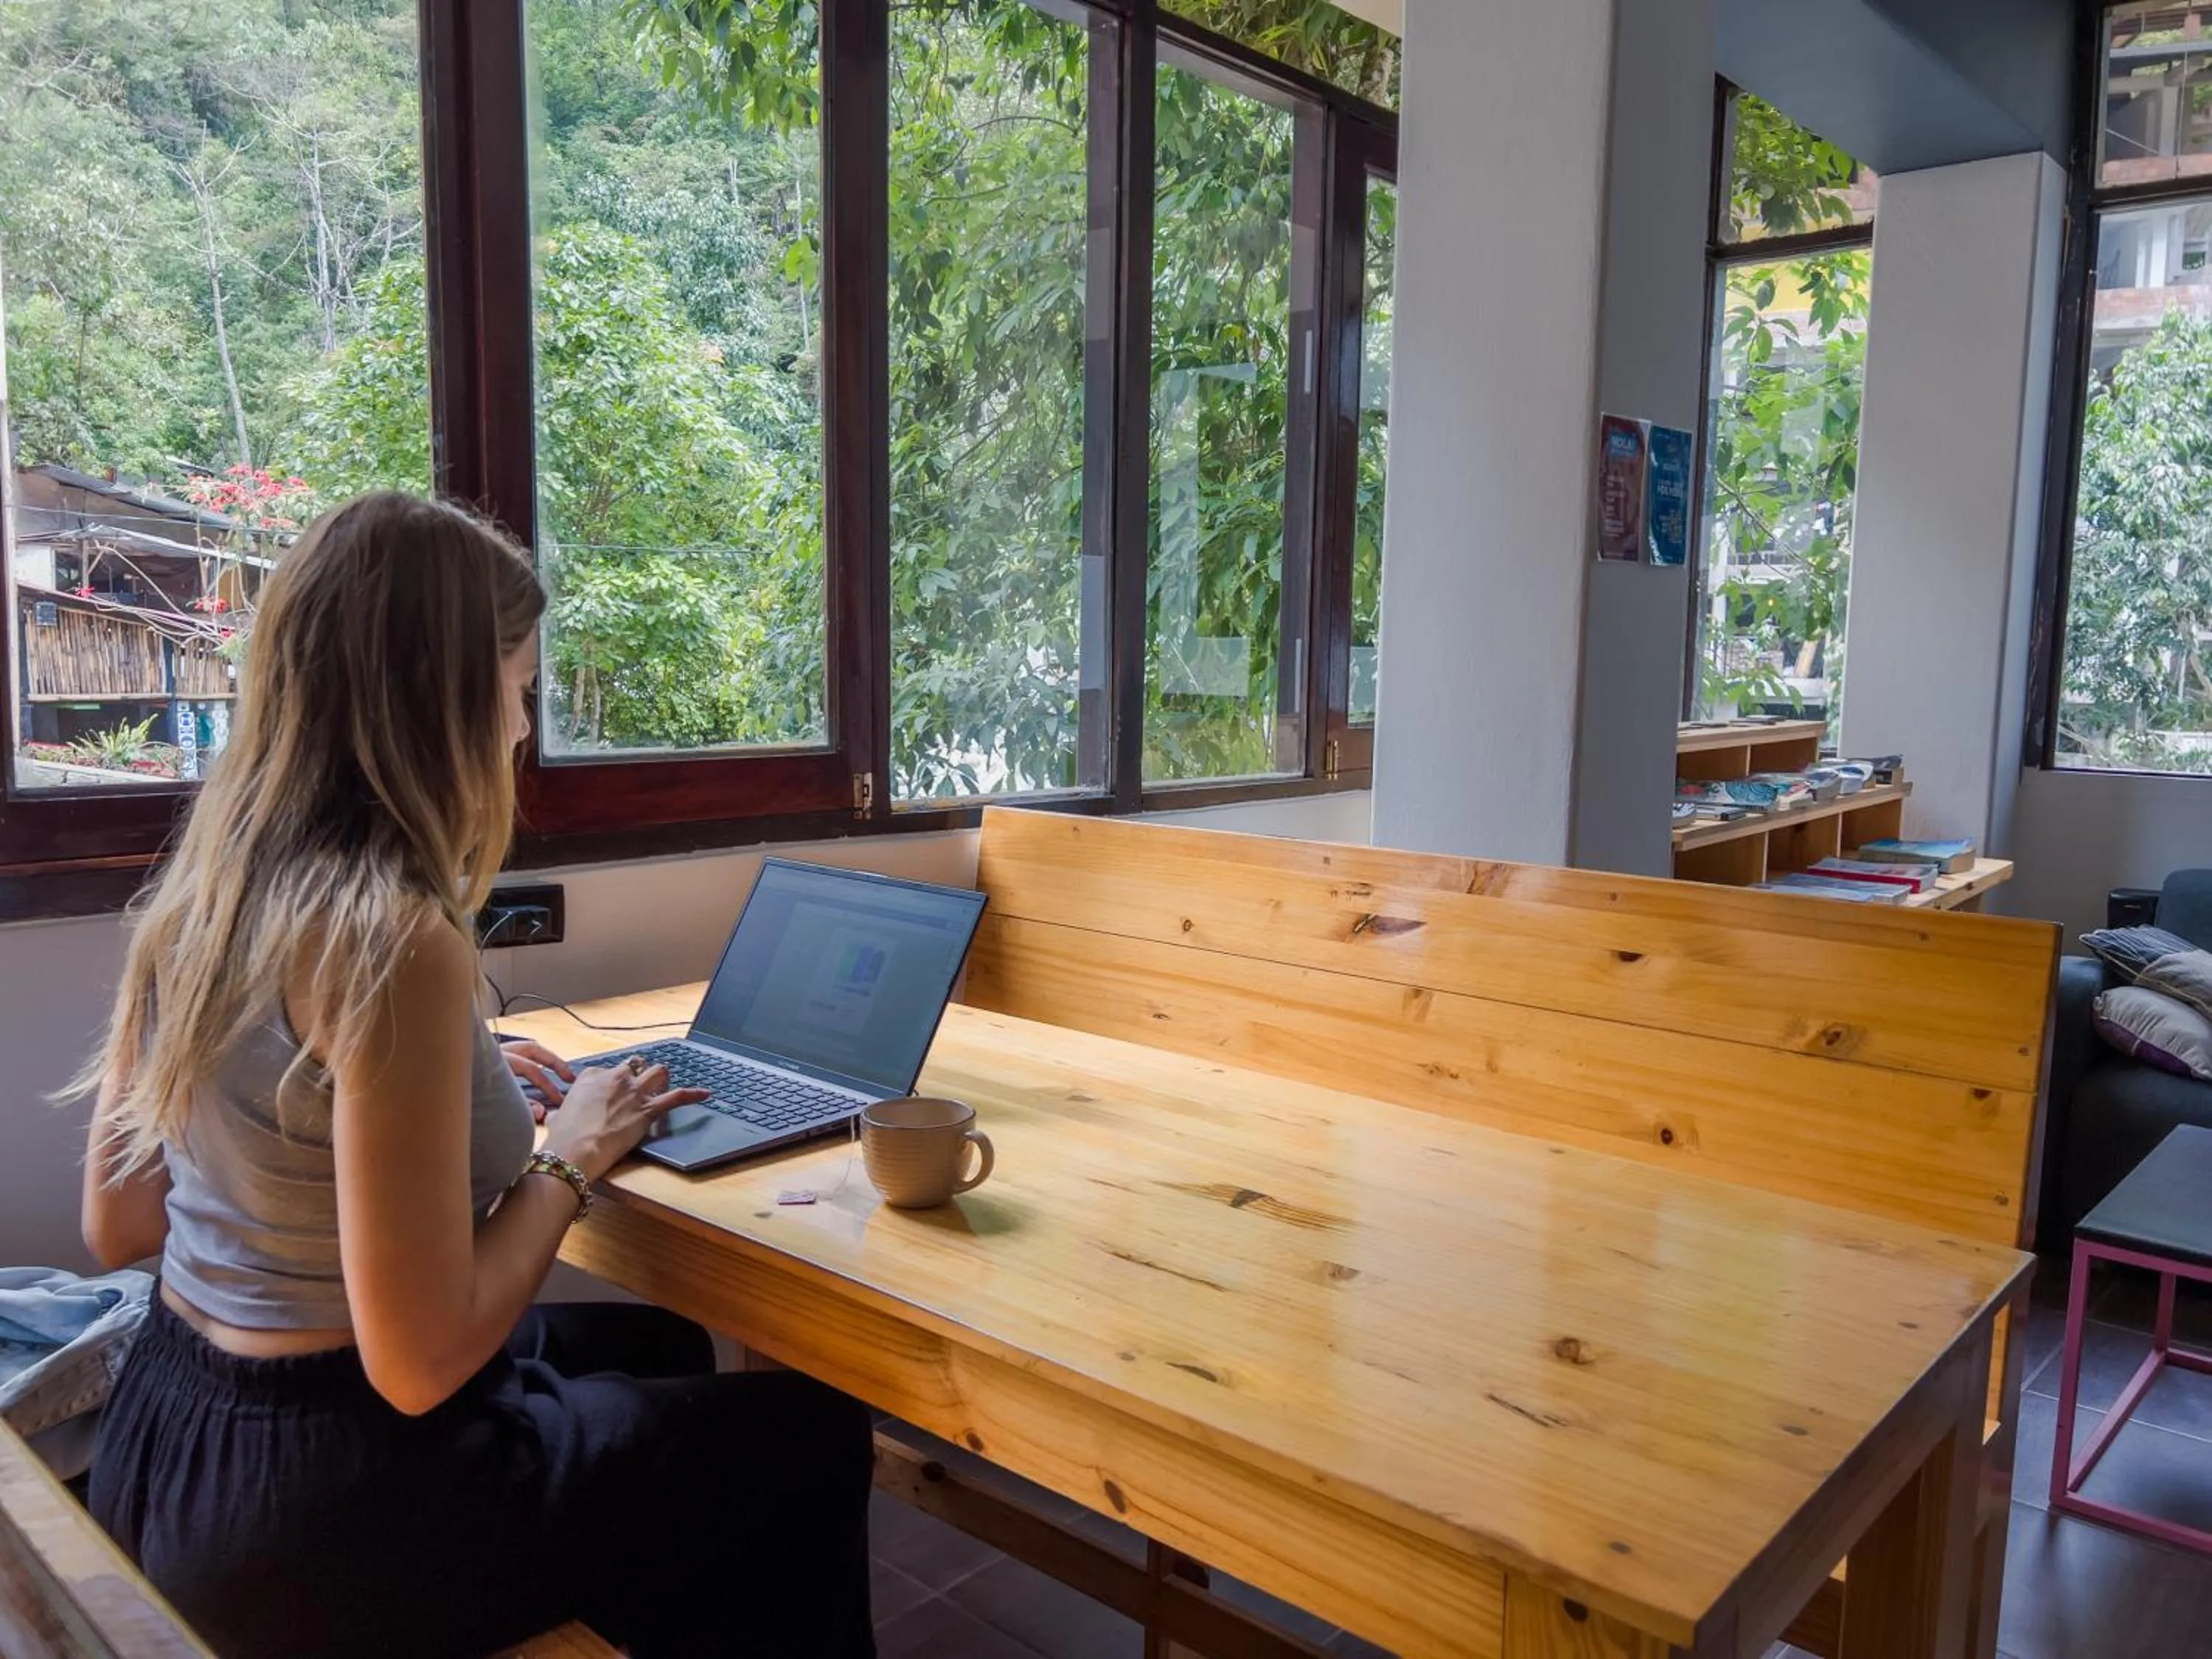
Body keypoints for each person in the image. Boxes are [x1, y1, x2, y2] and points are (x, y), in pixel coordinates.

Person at [74, 493, 877, 1659]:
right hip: (322, 1505)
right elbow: (414, 1365)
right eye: (517, 687)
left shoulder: (200, 900)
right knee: (809, 1435)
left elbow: (117, 1222)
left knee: (663, 1353)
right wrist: (571, 1152)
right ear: (439, 703)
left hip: (171, 1440)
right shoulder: (390, 939)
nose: (520, 727)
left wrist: (427, 1077)